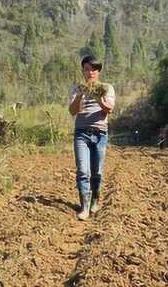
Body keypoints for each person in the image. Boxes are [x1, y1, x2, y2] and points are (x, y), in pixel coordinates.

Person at [68, 55, 115, 221]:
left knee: (97, 172)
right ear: (83, 71)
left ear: (99, 71)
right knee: (83, 171)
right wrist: (81, 95)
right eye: (87, 69)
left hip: (100, 134)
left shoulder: (107, 88)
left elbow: (109, 109)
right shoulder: (76, 89)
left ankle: (95, 200)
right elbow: (73, 111)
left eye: (94, 69)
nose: (91, 72)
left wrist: (98, 99)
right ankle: (84, 207)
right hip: (81, 133)